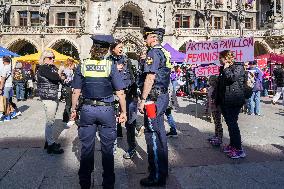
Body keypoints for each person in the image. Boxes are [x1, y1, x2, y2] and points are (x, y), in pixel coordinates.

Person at [70, 35, 127, 189]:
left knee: (86, 149)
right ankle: (108, 184)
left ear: (92, 49)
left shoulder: (83, 65)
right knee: (108, 150)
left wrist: (73, 109)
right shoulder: (110, 66)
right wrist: (124, 112)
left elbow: (76, 91)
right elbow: (120, 92)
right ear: (106, 50)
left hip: (87, 109)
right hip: (106, 110)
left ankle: (85, 184)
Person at [138, 27, 172, 187]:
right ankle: (163, 170)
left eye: (146, 38)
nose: (145, 41)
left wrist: (143, 99)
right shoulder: (165, 52)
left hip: (153, 98)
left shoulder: (153, 53)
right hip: (162, 95)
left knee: (152, 133)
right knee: (160, 133)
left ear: (152, 38)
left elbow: (150, 77)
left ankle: (156, 175)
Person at [110, 39, 138, 159]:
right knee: (111, 122)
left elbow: (132, 77)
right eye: (119, 47)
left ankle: (132, 148)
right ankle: (112, 146)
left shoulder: (127, 60)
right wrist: (114, 69)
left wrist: (135, 94)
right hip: (113, 96)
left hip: (128, 95)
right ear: (112, 49)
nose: (121, 49)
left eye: (122, 47)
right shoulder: (107, 61)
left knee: (130, 122)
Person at [216, 50, 246, 159]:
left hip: (234, 100)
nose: (219, 59)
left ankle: (239, 149)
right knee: (229, 124)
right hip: (225, 100)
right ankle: (232, 145)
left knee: (233, 124)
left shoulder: (239, 67)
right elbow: (221, 85)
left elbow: (232, 78)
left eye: (221, 58)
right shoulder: (223, 68)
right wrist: (217, 100)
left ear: (226, 58)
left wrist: (226, 68)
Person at [37, 50, 64, 154]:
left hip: (52, 96)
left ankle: (48, 142)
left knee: (50, 121)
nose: (53, 59)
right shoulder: (43, 68)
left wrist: (60, 76)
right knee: (50, 122)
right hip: (48, 97)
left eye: (53, 58)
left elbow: (62, 79)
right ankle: (51, 146)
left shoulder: (51, 68)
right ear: (44, 59)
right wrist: (59, 73)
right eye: (50, 58)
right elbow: (56, 77)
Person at [0, 56, 21, 122]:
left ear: (4, 61)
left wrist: (0, 88)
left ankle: (8, 116)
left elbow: (3, 80)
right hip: (10, 86)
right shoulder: (11, 67)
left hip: (6, 87)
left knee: (6, 102)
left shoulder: (5, 68)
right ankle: (11, 114)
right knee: (8, 101)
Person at [207, 75, 223, 146]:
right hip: (212, 108)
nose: (210, 82)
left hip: (217, 108)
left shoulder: (217, 89)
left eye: (211, 80)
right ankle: (216, 136)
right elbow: (209, 98)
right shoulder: (210, 88)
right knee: (216, 123)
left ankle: (219, 138)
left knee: (218, 123)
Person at [60, 58, 76, 126]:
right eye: (73, 64)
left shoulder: (71, 70)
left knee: (69, 104)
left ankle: (65, 118)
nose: (74, 66)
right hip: (68, 88)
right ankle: (68, 118)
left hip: (69, 88)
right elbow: (63, 79)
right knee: (68, 104)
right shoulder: (66, 70)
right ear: (70, 64)